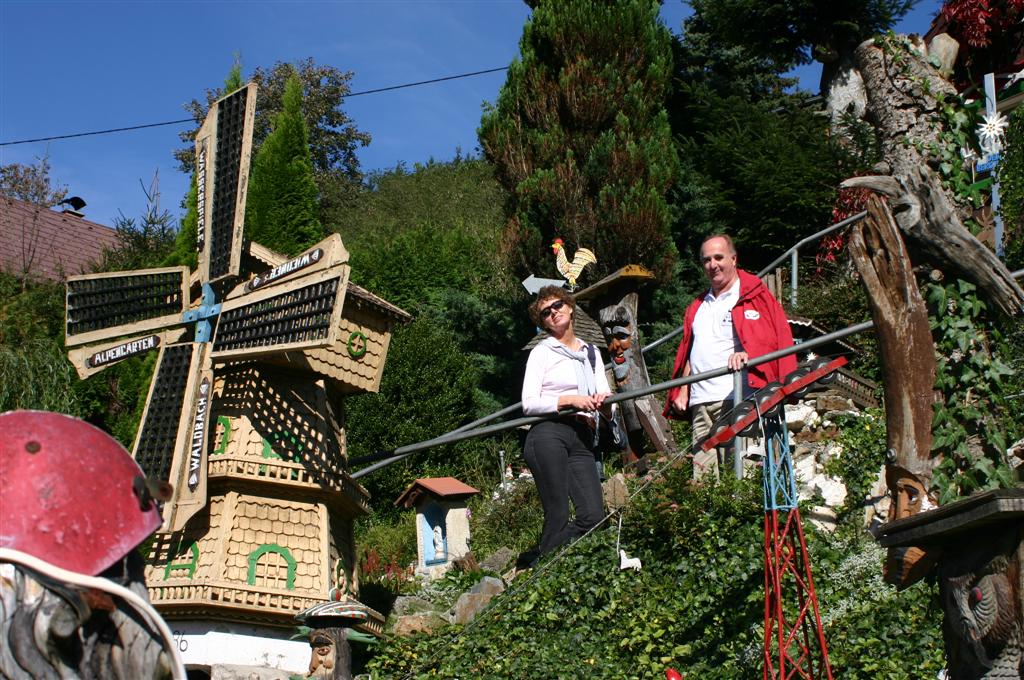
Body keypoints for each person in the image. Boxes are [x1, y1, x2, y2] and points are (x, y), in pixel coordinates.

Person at [663, 234, 796, 479]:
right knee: (703, 481)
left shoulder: (752, 294)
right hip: (701, 402)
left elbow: (770, 337)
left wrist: (749, 354)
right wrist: (683, 388)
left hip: (738, 397)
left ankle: (745, 519)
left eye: (718, 257)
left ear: (734, 259)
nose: (712, 265)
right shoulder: (698, 305)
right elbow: (692, 348)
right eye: (706, 260)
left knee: (740, 477)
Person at [521, 285, 611, 561]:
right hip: (549, 433)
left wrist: (605, 405)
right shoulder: (542, 352)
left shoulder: (591, 352)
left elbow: (605, 394)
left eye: (557, 306)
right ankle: (545, 572)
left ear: (570, 307)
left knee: (594, 515)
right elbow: (529, 403)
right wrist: (569, 400)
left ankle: (543, 558)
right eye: (545, 313)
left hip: (582, 435)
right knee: (558, 511)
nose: (553, 314)